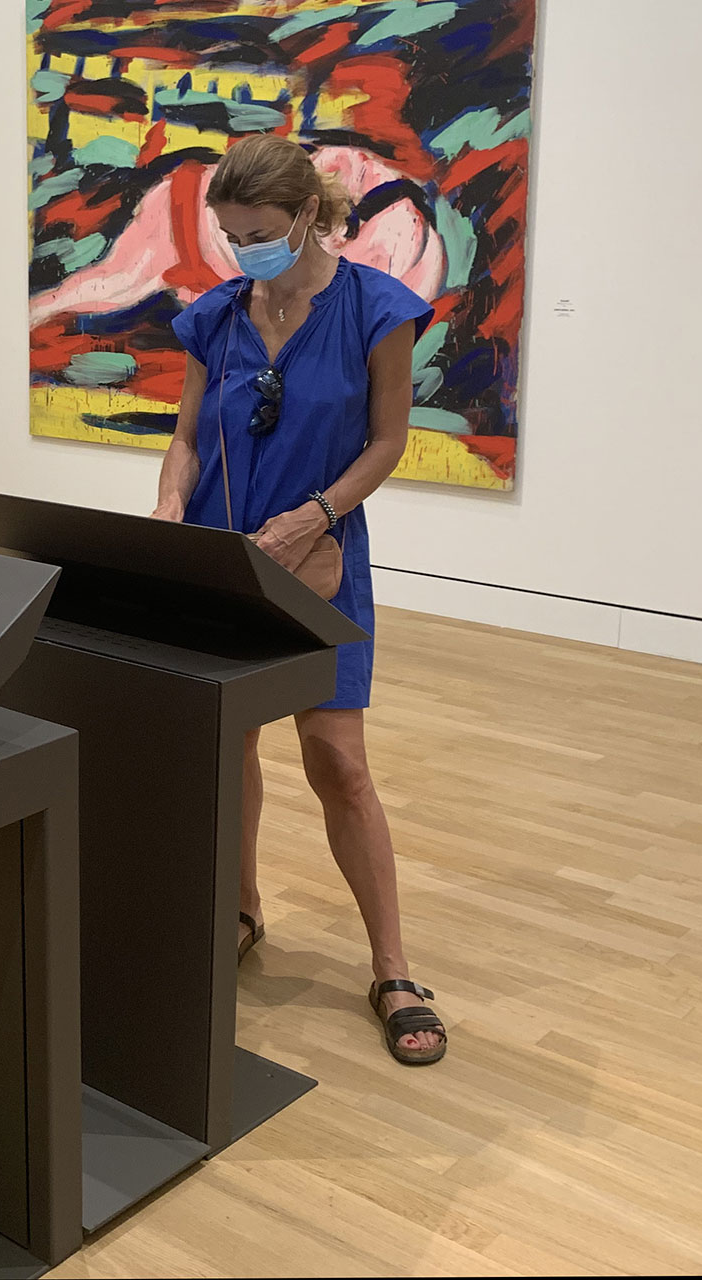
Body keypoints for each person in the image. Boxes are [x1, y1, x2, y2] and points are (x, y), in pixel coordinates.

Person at [153, 133, 447, 1067]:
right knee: (228, 742)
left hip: (320, 554)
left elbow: (389, 442)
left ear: (312, 216)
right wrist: (168, 505)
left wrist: (313, 515)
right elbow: (189, 437)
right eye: (233, 235)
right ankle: (241, 910)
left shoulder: (377, 309)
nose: (245, 251)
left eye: (261, 232)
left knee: (337, 758)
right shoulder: (215, 316)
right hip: (220, 552)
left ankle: (393, 966)